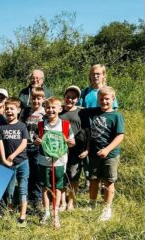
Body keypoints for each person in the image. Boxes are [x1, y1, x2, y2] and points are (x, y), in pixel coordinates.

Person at [81, 86, 125, 221]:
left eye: (107, 99)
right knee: (93, 179)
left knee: (108, 181)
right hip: (94, 154)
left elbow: (120, 136)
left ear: (113, 99)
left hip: (110, 155)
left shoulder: (116, 116)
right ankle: (92, 203)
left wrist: (107, 150)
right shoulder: (94, 112)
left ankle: (107, 208)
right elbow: (79, 110)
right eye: (101, 99)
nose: (104, 102)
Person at [35, 97, 75, 228]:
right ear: (44, 109)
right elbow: (35, 138)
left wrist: (70, 142)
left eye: (53, 107)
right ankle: (46, 212)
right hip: (44, 160)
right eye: (48, 107)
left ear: (60, 109)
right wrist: (37, 141)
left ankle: (55, 212)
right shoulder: (41, 125)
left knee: (58, 187)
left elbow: (72, 141)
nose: (50, 110)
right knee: (45, 187)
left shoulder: (65, 125)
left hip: (59, 161)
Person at [0, 97, 30, 227]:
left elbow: (24, 143)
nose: (9, 111)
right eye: (7, 109)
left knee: (23, 188)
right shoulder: (2, 127)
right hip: (8, 164)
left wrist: (13, 156)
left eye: (12, 109)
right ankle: (9, 210)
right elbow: (0, 143)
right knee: (9, 189)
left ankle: (22, 216)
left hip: (22, 162)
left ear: (18, 110)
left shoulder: (22, 126)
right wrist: (4, 159)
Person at [59, 86, 88, 211]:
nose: (70, 100)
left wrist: (87, 149)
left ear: (78, 99)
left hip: (77, 150)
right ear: (64, 97)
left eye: (74, 98)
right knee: (62, 176)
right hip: (60, 150)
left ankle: (71, 201)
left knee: (74, 176)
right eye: (68, 97)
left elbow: (88, 132)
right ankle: (62, 202)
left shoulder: (82, 112)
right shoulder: (58, 111)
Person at [19, 87, 46, 214]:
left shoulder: (45, 113)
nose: (36, 101)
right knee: (27, 173)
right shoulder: (26, 112)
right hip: (26, 147)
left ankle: (37, 199)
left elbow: (48, 129)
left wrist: (42, 139)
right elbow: (21, 127)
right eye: (34, 98)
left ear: (43, 99)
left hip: (38, 149)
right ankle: (27, 199)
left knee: (37, 174)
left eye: (38, 98)